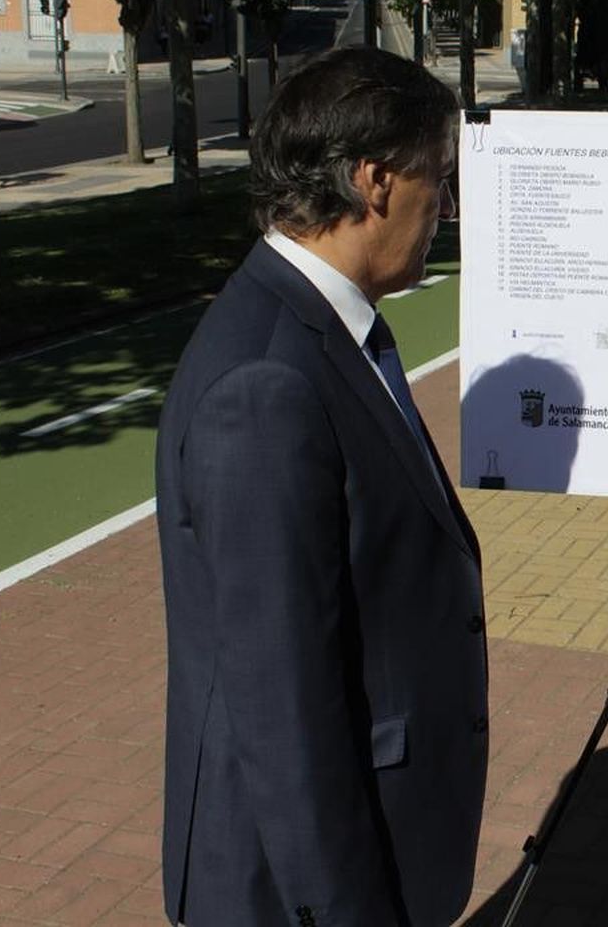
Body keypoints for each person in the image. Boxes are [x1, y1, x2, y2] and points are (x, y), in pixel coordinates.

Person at [155, 46, 487, 927]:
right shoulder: (266, 381)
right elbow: (282, 701)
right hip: (295, 888)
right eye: (439, 178)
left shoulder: (328, 329)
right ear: (375, 181)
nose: (446, 207)